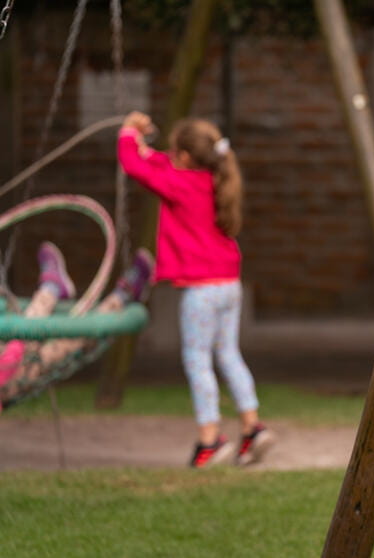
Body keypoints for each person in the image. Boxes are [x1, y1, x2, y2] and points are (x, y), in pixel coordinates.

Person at [117, 111, 275, 468]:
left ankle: (210, 440)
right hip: (229, 286)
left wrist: (127, 135)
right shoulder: (214, 179)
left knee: (197, 361)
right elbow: (156, 162)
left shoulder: (179, 184)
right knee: (228, 354)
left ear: (185, 157)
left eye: (174, 152)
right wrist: (142, 142)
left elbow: (136, 167)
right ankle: (252, 428)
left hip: (201, 292)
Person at [0, 242, 154, 409]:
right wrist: (17, 343)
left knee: (51, 344)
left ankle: (120, 294)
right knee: (52, 343)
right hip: (11, 379)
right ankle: (120, 294)